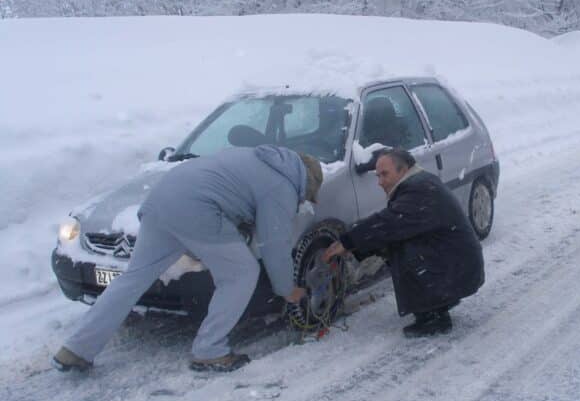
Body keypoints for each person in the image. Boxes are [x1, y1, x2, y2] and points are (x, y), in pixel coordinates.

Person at [53, 145, 323, 373]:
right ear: (307, 182)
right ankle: (209, 349)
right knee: (242, 273)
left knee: (133, 278)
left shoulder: (258, 159)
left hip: (161, 200)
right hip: (197, 209)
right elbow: (274, 244)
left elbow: (231, 193)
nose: (302, 200)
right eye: (307, 196)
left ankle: (76, 349)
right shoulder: (282, 186)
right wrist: (287, 289)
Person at [323, 149, 484, 337]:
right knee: (394, 241)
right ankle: (439, 303)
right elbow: (392, 225)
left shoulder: (418, 190)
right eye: (377, 176)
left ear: (403, 170)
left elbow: (388, 223)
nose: (380, 182)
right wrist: (357, 248)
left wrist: (347, 242)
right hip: (457, 264)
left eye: (385, 174)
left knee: (404, 250)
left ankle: (434, 316)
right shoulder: (418, 182)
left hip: (457, 268)